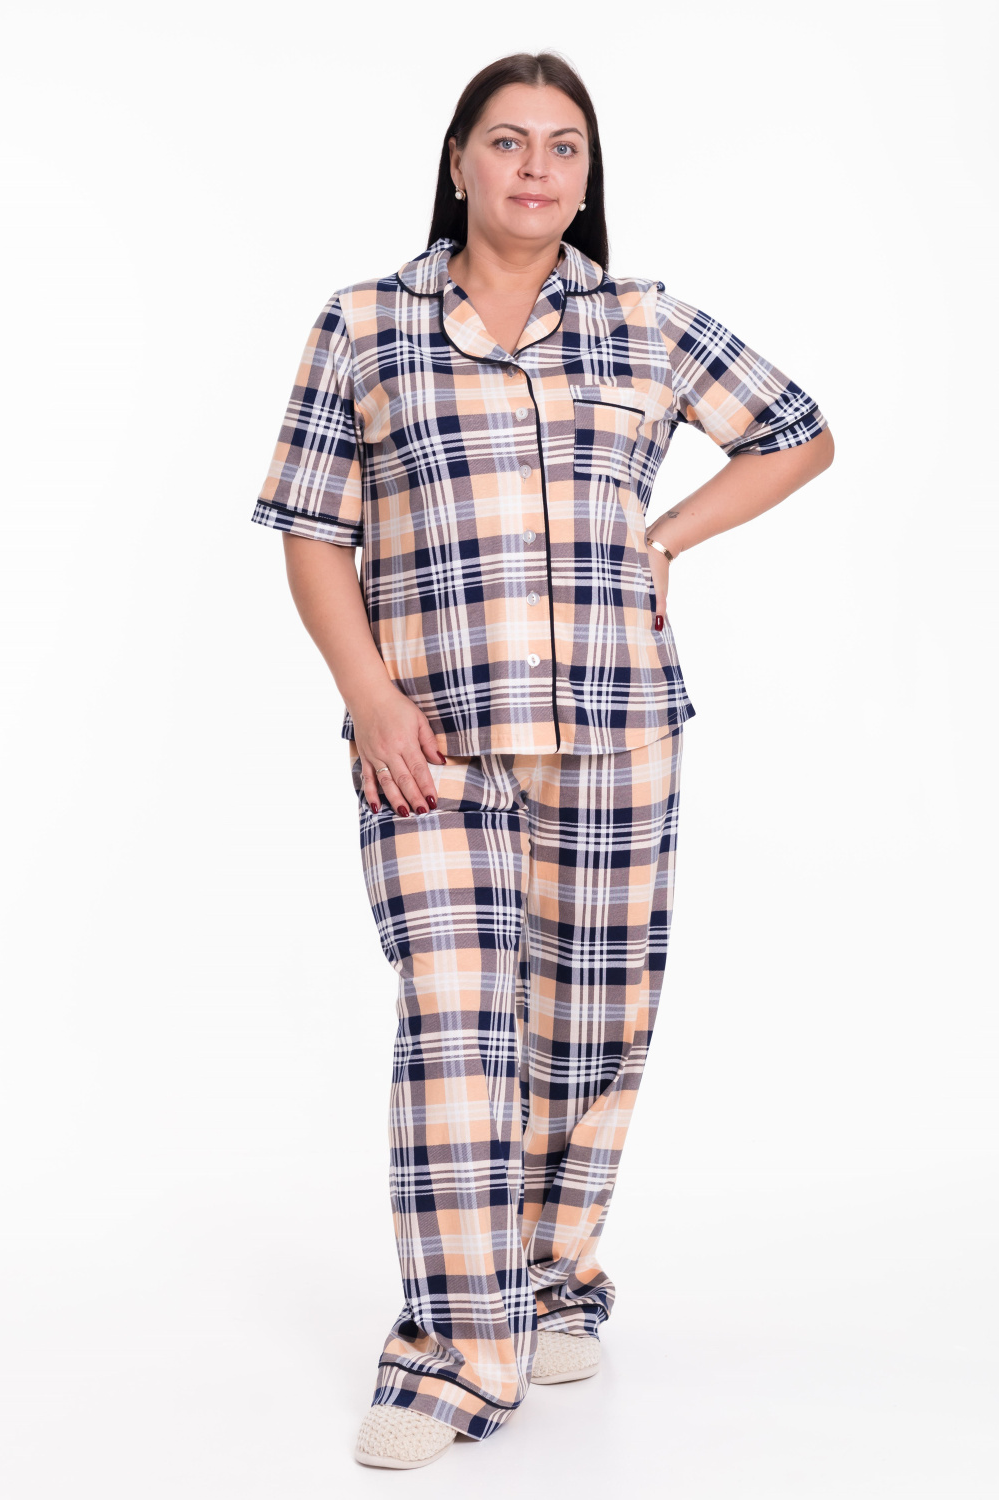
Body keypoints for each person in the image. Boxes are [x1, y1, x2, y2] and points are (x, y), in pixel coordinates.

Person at [250, 51, 834, 1471]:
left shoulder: (642, 319)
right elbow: (313, 529)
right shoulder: (366, 323)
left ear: (587, 175)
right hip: (429, 743)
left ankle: (554, 1274)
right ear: (457, 160)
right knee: (457, 1029)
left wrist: (665, 538)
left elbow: (798, 436)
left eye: (563, 146)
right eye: (506, 141)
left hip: (619, 725)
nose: (535, 168)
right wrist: (369, 698)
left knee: (589, 1027)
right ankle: (454, 1357)